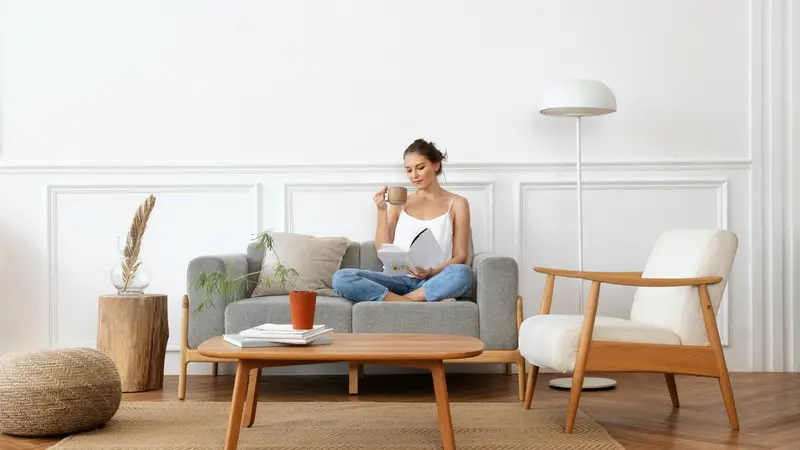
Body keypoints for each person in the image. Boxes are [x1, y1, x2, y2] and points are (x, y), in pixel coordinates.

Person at [331, 138, 474, 302]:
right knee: (342, 277)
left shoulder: (457, 203)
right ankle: (416, 302)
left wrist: (432, 271)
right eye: (409, 170)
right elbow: (381, 249)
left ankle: (396, 301)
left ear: (436, 165)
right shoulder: (400, 202)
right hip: (395, 279)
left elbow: (460, 255)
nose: (414, 175)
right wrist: (381, 210)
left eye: (420, 167)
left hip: (433, 280)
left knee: (463, 273)